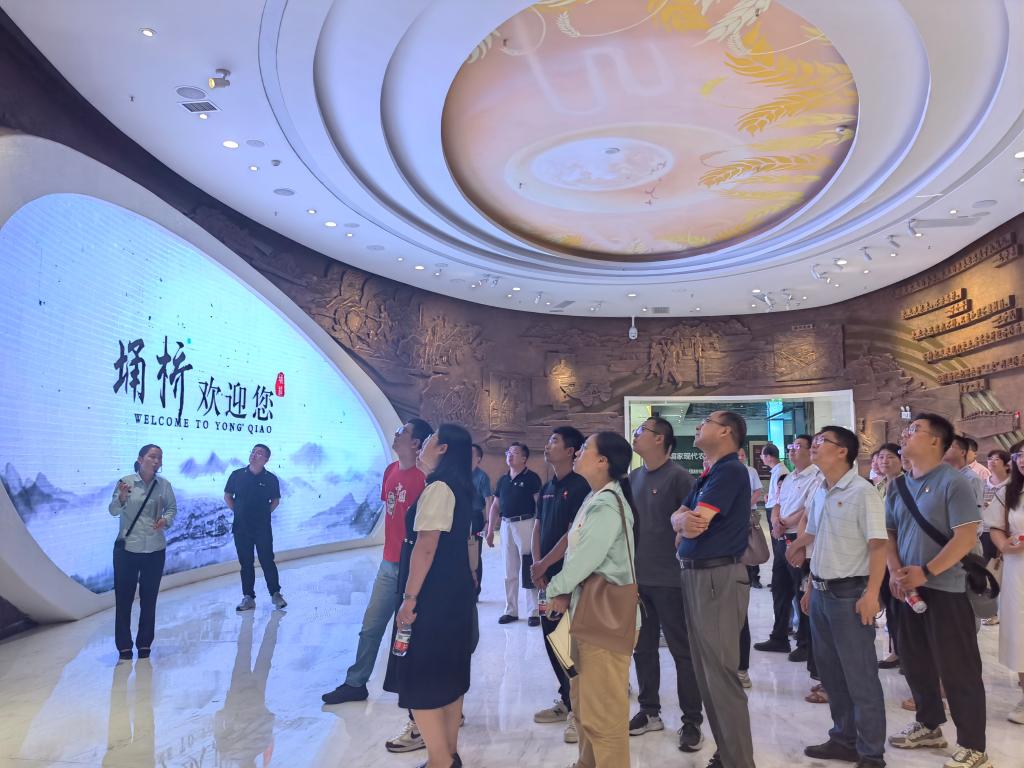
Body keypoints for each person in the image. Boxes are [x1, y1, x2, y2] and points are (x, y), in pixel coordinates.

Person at [886, 413, 989, 768]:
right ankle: (929, 725)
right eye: (906, 429)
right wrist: (895, 572)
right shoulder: (898, 485)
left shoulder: (953, 482)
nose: (905, 435)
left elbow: (966, 537)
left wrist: (926, 571)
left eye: (914, 430)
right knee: (915, 662)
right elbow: (890, 533)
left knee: (958, 667)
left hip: (947, 588)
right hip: (908, 590)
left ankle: (974, 746)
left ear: (935, 440)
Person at [787, 427, 888, 768]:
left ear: (842, 451)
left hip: (850, 594)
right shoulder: (822, 490)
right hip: (821, 593)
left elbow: (878, 545)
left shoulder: (862, 492)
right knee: (831, 674)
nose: (813, 446)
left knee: (860, 677)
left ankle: (871, 753)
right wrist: (810, 585)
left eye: (821, 442)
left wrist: (872, 593)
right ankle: (843, 739)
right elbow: (816, 537)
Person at [321, 419, 432, 717]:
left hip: (414, 567)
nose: (396, 434)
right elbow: (391, 513)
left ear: (416, 443)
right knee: (371, 625)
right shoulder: (390, 471)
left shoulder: (426, 480)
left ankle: (424, 692)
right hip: (389, 563)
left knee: (414, 631)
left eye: (402, 432)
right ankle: (355, 683)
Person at [546, 432, 641, 768]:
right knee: (585, 705)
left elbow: (583, 560)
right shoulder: (595, 497)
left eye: (585, 448)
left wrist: (554, 588)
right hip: (589, 614)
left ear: (603, 461)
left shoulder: (606, 504)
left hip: (605, 620)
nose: (578, 452)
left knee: (603, 714)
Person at [385, 424, 476, 768]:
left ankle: (440, 760)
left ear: (443, 449)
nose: (424, 443)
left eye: (431, 439)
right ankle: (448, 754)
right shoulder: (460, 487)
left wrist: (409, 599)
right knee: (448, 675)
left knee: (420, 676)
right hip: (454, 593)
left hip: (432, 596)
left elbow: (426, 546)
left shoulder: (438, 488)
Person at [672, 411, 755, 768]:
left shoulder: (731, 470)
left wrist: (682, 522)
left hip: (717, 577)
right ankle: (727, 754)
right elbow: (680, 518)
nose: (698, 426)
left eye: (705, 421)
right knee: (707, 675)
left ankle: (739, 762)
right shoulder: (710, 472)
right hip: (697, 576)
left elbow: (697, 523)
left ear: (725, 432)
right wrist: (679, 521)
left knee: (720, 675)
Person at [626, 417, 703, 751]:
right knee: (642, 648)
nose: (635, 436)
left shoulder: (680, 478)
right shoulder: (633, 478)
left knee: (682, 651)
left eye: (641, 431)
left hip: (672, 580)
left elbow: (695, 526)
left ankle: (692, 721)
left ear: (660, 439)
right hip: (639, 580)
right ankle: (649, 711)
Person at [529, 426, 590, 744]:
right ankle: (567, 700)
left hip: (570, 579)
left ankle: (579, 711)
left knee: (570, 645)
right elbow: (538, 525)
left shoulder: (580, 486)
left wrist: (546, 564)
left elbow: (572, 534)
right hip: (547, 577)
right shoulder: (548, 486)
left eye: (554, 441)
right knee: (552, 639)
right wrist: (537, 563)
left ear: (571, 450)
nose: (547, 445)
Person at [109, 444, 177, 660]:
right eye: (152, 456)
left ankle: (145, 644)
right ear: (140, 459)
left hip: (155, 549)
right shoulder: (126, 482)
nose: (156, 461)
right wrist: (121, 498)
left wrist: (165, 520)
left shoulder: (164, 485)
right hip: (128, 548)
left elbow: (172, 508)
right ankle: (124, 646)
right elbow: (113, 510)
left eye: (160, 457)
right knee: (124, 599)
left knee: (149, 599)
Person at [757, 435, 820, 661]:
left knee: (800, 590)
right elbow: (777, 503)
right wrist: (776, 521)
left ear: (810, 450)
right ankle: (779, 636)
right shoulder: (789, 477)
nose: (792, 450)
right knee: (780, 588)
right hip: (782, 538)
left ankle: (805, 642)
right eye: (791, 446)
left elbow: (807, 510)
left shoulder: (817, 477)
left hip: (800, 540)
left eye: (798, 446)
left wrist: (784, 523)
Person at [984, 440, 1024, 724]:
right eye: (1020, 455)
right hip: (1018, 567)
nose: (1022, 460)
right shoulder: (1009, 491)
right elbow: (995, 526)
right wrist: (1003, 545)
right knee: (1020, 629)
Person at [485, 442, 542, 625]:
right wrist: (490, 530)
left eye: (515, 453)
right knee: (509, 570)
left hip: (526, 524)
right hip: (506, 526)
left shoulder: (532, 478)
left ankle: (533, 612)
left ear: (524, 458)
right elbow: (495, 506)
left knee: (528, 567)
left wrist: (539, 528)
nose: (510, 455)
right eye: (508, 452)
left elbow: (539, 505)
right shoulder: (503, 480)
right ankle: (511, 610)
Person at [224, 444, 286, 612]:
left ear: (266, 459)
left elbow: (275, 501)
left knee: (267, 560)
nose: (254, 454)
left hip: (262, 528)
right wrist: (239, 512)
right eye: (253, 451)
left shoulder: (271, 479)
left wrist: (263, 514)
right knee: (246, 563)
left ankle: (275, 594)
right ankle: (248, 597)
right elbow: (228, 496)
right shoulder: (237, 475)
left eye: (259, 453)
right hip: (241, 528)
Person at [874, 443, 905, 669]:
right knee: (891, 604)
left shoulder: (907, 484)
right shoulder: (879, 485)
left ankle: (909, 654)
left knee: (903, 605)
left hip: (901, 552)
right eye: (881, 457)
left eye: (890, 457)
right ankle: (896, 651)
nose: (884, 461)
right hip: (881, 553)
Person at [738, 448, 765, 588]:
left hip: (749, 512)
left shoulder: (751, 471)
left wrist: (746, 506)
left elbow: (757, 491)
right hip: (733, 516)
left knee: (753, 544)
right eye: (737, 455)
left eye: (742, 455)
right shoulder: (728, 472)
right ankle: (742, 576)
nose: (740, 457)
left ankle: (754, 577)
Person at [470, 444, 492, 596]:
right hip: (458, 516)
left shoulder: (482, 476)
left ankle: (475, 591)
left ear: (478, 459)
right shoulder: (458, 473)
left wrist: (488, 522)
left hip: (475, 517)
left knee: (474, 555)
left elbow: (489, 500)